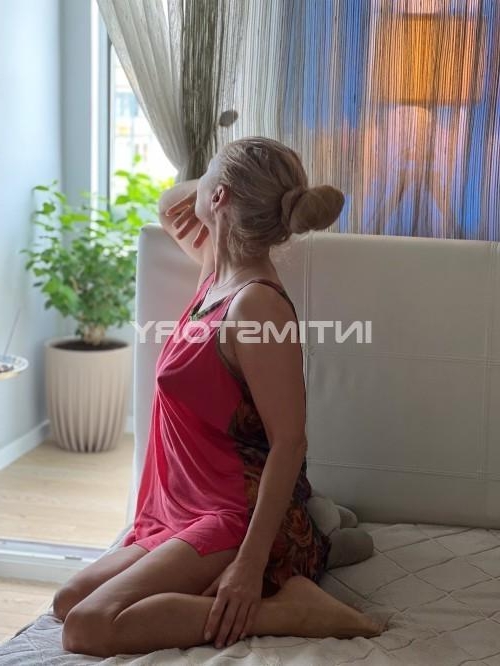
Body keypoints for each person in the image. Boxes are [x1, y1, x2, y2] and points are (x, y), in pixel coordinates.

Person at [53, 136, 385, 658]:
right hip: (180, 507)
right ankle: (319, 542)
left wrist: (248, 567)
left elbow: (290, 443)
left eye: (208, 177)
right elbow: (169, 205)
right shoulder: (214, 271)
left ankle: (290, 608)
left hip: (231, 512)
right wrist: (221, 185)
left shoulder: (255, 306)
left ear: (220, 196)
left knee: (88, 627)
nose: (196, 187)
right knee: (67, 601)